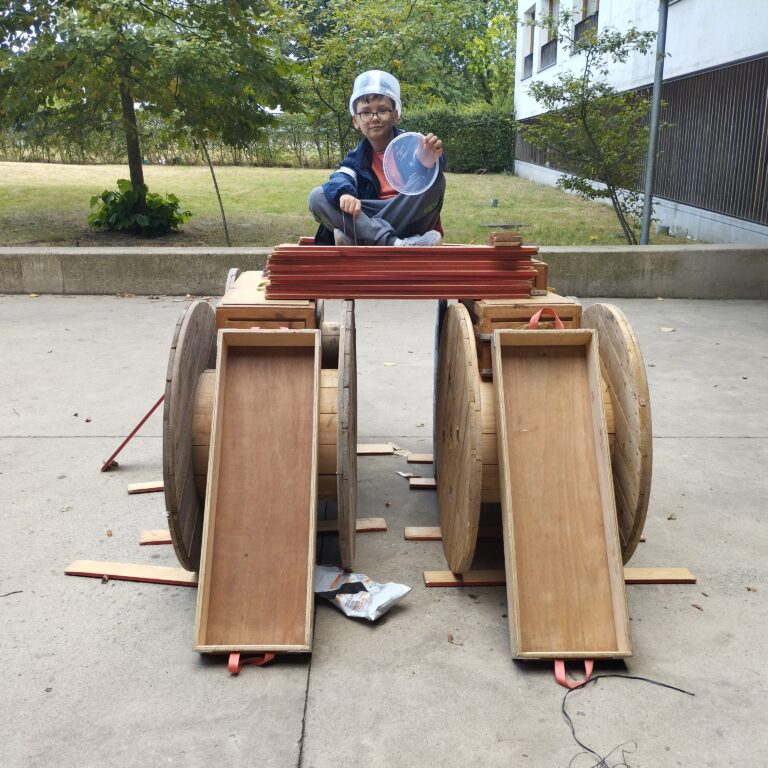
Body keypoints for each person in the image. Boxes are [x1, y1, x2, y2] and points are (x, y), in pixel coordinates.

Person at [308, 70, 446, 247]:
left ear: (395, 115)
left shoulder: (410, 143)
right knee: (317, 196)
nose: (374, 118)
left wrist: (426, 163)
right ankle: (396, 243)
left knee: (436, 181)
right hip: (370, 214)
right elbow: (341, 177)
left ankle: (360, 236)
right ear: (355, 121)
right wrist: (344, 194)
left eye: (382, 110)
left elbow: (433, 164)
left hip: (407, 214)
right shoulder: (356, 158)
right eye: (365, 112)